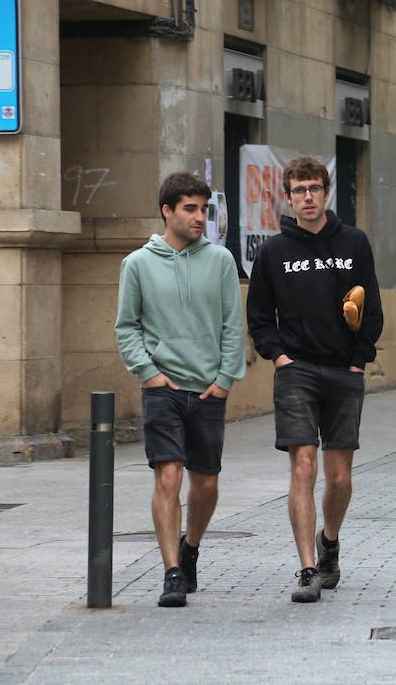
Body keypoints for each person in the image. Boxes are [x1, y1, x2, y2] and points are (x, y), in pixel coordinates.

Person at [247, 156, 383, 604]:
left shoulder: (354, 243)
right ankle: (307, 568)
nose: (308, 197)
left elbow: (373, 310)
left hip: (343, 370)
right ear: (287, 197)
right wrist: (280, 357)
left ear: (326, 193)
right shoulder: (273, 252)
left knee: (339, 477)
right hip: (297, 371)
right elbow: (260, 317)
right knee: (303, 466)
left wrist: (358, 360)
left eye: (314, 188)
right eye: (299, 190)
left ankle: (330, 541)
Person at [115, 172, 245, 608]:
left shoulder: (221, 261)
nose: (199, 218)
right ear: (167, 211)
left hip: (208, 389)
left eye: (204, 209)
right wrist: (147, 373)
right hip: (163, 389)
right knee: (167, 477)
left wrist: (224, 380)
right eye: (190, 208)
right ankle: (172, 572)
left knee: (205, 484)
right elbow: (127, 327)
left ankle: (191, 547)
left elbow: (233, 326)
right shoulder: (137, 264)